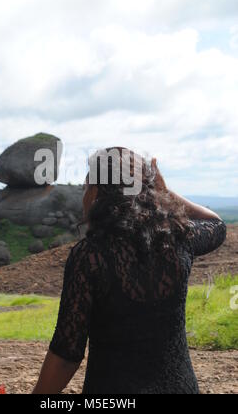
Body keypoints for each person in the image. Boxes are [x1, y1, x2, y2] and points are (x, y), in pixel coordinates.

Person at [32, 147, 227, 394]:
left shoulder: (90, 256)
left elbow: (66, 356)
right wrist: (165, 193)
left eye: (86, 187)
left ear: (96, 192)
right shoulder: (179, 239)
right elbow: (216, 224)